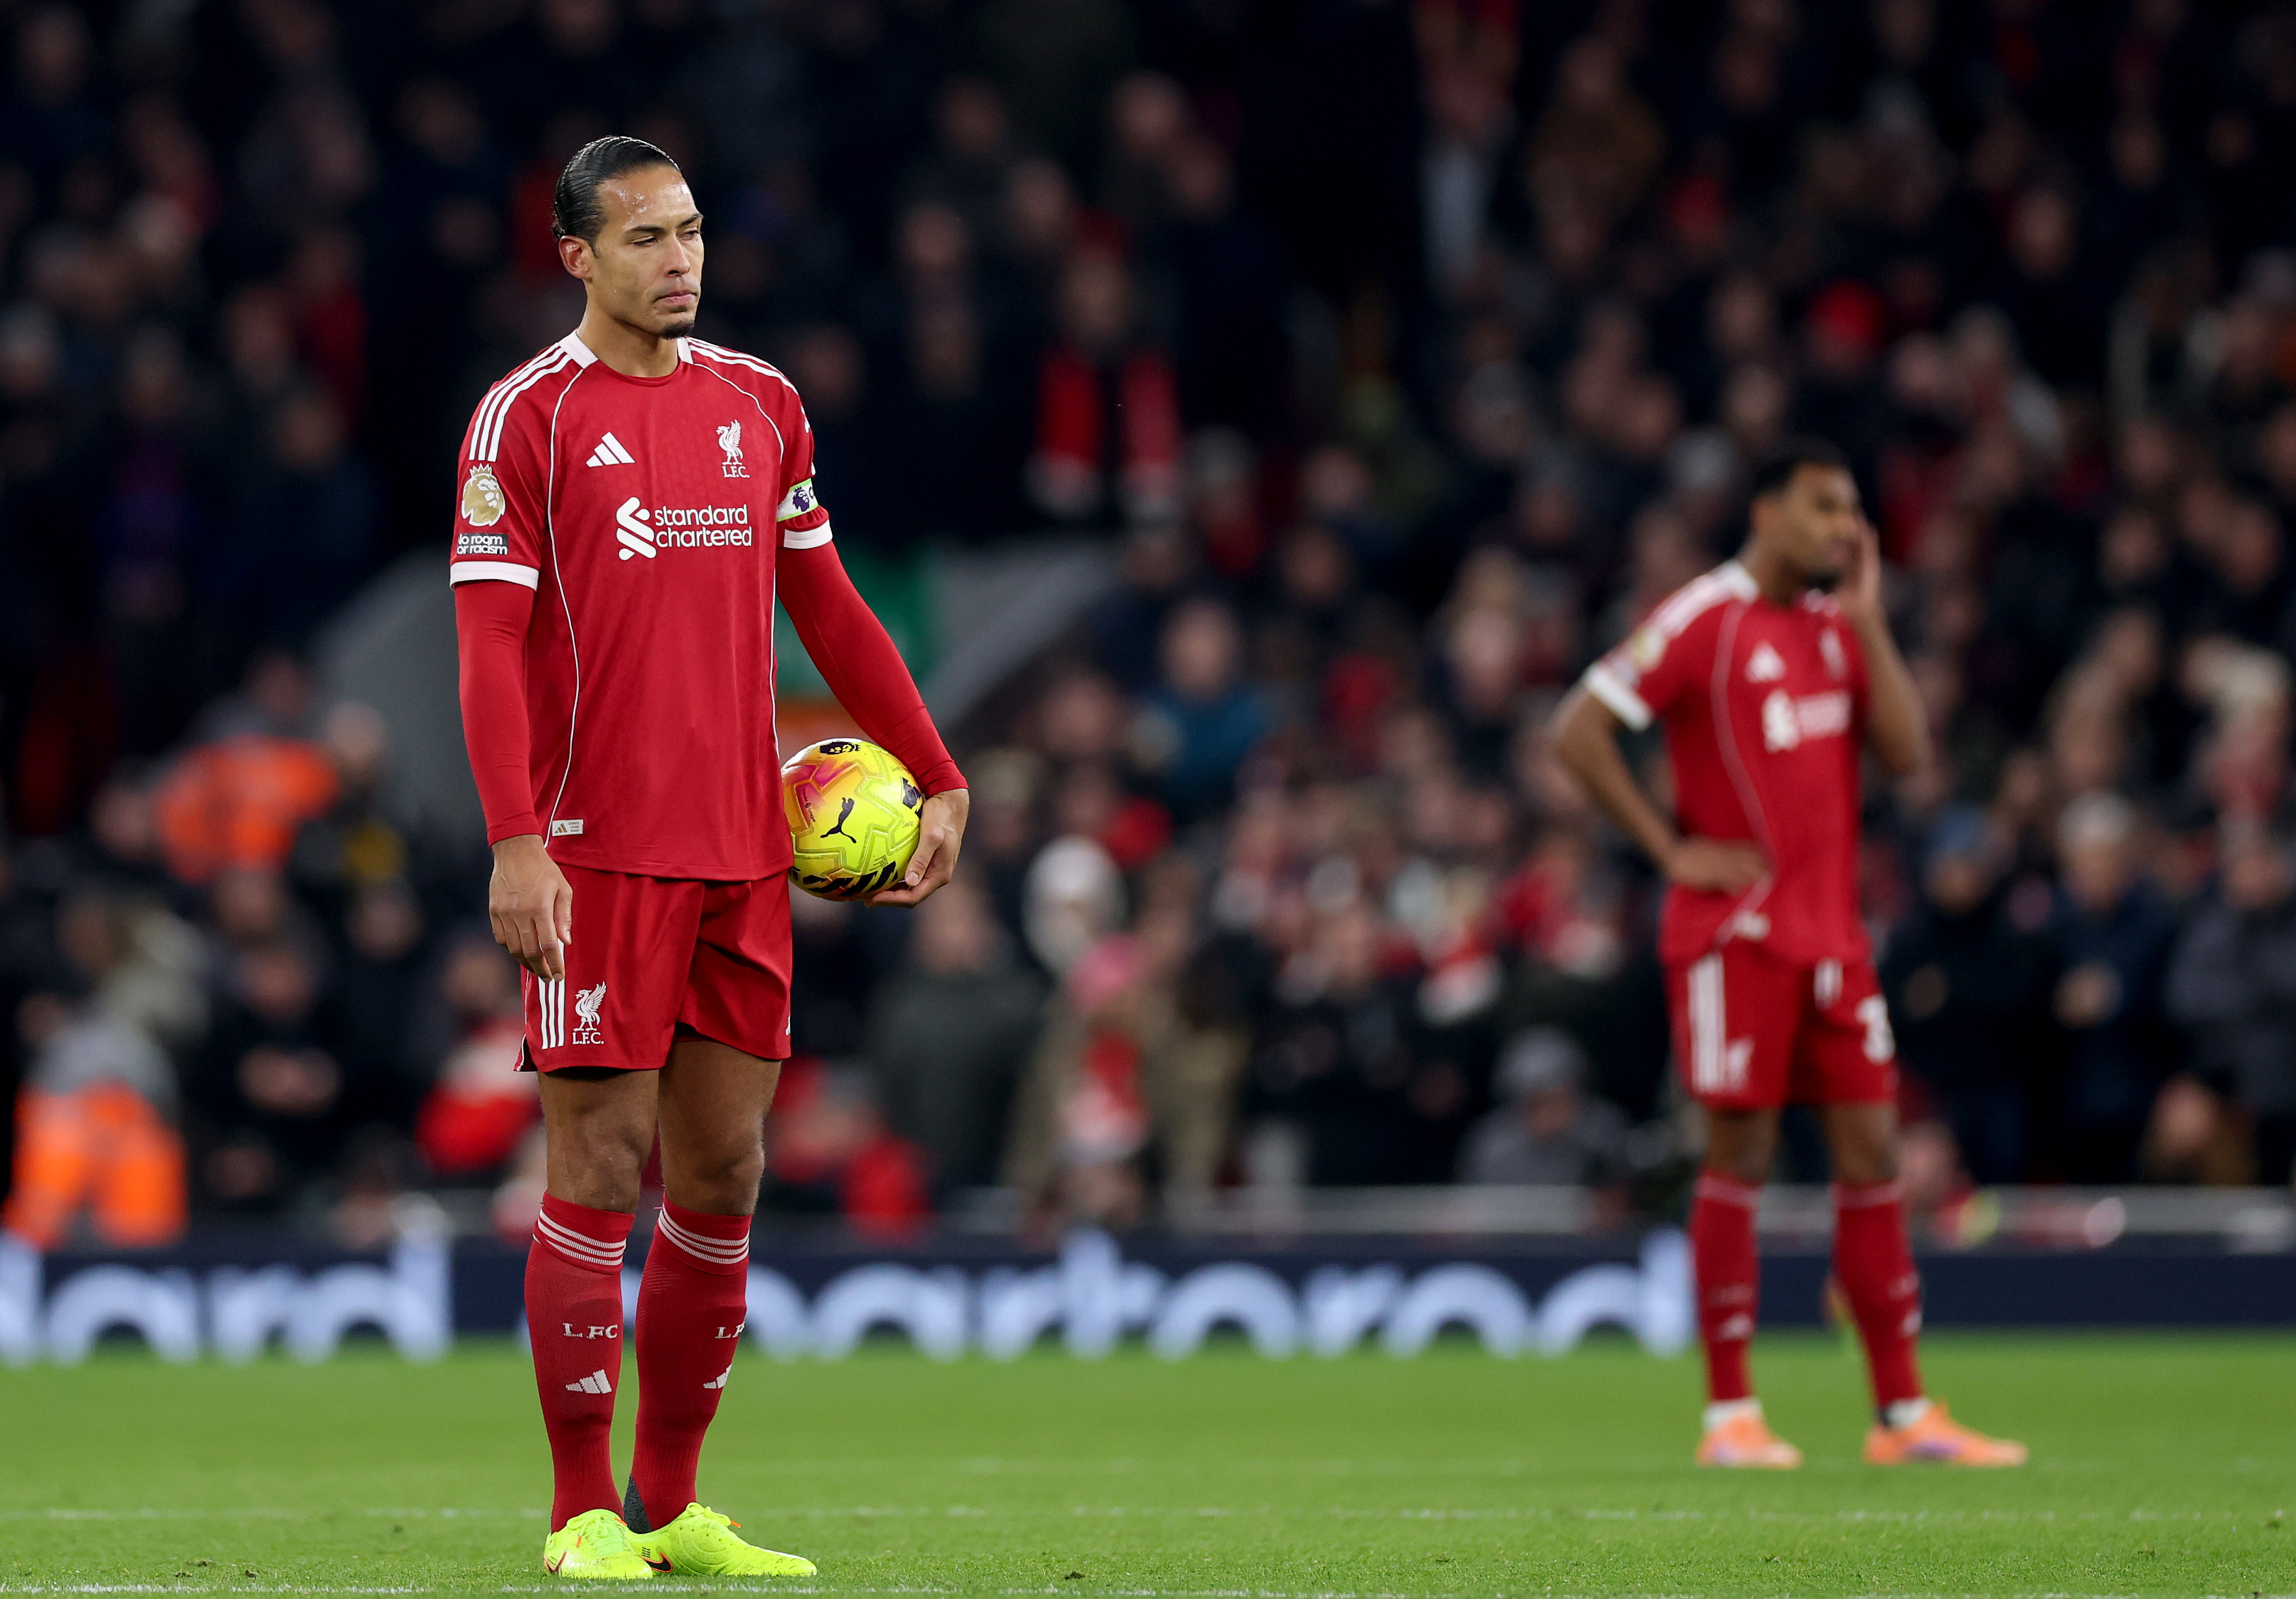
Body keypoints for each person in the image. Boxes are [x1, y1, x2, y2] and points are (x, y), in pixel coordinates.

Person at [450, 137, 970, 1581]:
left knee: (727, 1171)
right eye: (644, 240)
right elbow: (487, 646)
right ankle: (579, 1511)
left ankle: (672, 1502)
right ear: (577, 257)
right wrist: (516, 843)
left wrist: (935, 766)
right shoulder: (525, 422)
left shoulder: (763, 404)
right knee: (598, 1161)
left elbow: (833, 604)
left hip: (745, 848)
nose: (679, 260)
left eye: (689, 234)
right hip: (596, 852)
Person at [1550, 438, 2024, 1470]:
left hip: (1833, 941)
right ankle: (1731, 1416)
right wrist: (1669, 845)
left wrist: (1866, 618)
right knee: (1740, 1160)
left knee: (1875, 1158)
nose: (1842, 528)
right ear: (1763, 511)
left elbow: (1905, 754)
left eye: (1852, 509)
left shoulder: (1832, 627)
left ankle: (1901, 1416)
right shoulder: (1701, 621)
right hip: (1733, 939)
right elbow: (1577, 729)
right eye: (1821, 507)